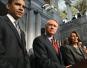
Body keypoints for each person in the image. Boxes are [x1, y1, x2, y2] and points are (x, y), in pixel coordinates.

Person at [0, 0, 30, 68]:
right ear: (8, 6)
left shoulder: (22, 32)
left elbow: (25, 54)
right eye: (17, 4)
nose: (21, 8)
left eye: (23, 7)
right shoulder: (1, 21)